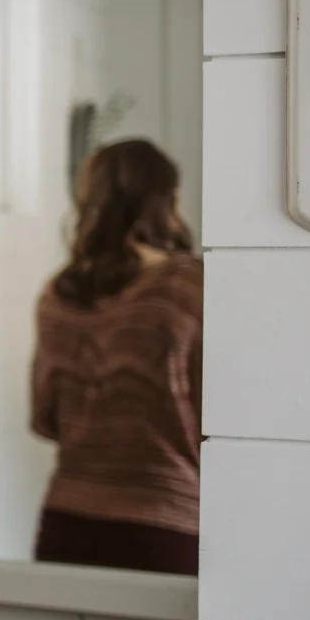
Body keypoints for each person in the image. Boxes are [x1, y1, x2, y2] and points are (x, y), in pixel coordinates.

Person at [31, 138, 202, 575]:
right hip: (167, 526)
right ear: (170, 200)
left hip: (67, 524)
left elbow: (44, 419)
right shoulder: (190, 286)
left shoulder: (58, 293)